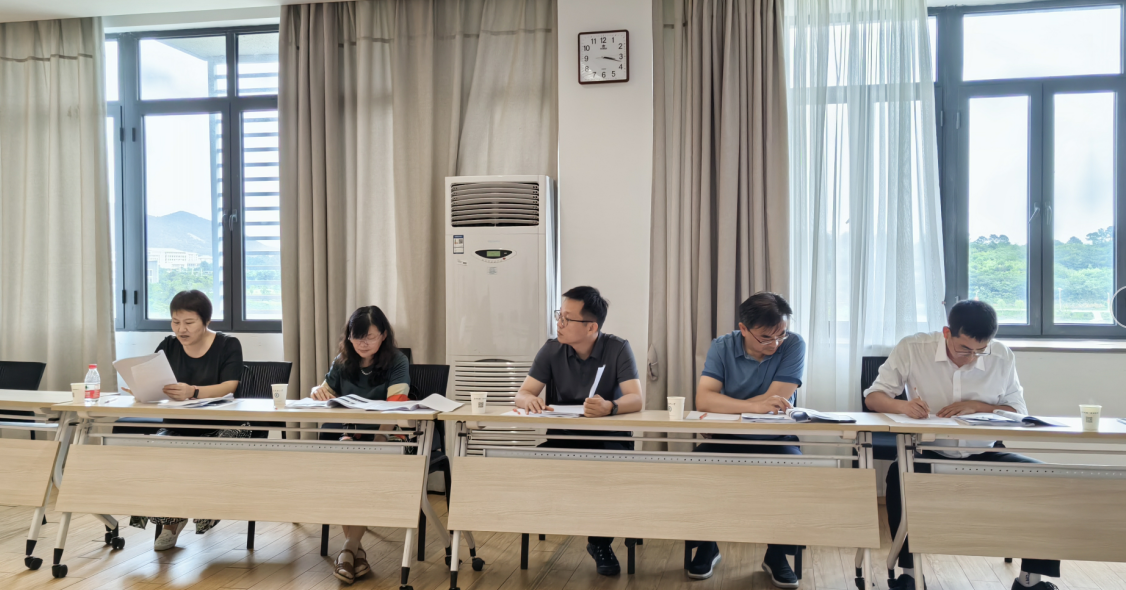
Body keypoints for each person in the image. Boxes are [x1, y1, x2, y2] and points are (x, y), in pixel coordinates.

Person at [864, 300, 1059, 590]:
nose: (971, 358)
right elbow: (873, 397)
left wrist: (977, 406)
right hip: (928, 453)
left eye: (980, 350)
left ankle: (1030, 580)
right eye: (964, 349)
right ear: (947, 333)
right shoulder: (913, 348)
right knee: (898, 478)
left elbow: (1018, 411)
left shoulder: (1001, 355)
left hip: (986, 453)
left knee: (1047, 479)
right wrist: (903, 406)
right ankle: (910, 575)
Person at [514, 286, 643, 576]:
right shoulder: (552, 349)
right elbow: (522, 393)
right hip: (564, 438)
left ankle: (600, 542)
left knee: (609, 472)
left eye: (567, 319)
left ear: (591, 327)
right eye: (559, 315)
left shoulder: (617, 348)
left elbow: (636, 399)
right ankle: (542, 518)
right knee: (526, 465)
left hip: (608, 440)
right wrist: (529, 400)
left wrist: (610, 407)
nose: (559, 323)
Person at [684, 292, 806, 587]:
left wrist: (728, 405)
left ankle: (777, 553)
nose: (775, 344)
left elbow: (775, 401)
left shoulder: (793, 344)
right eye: (766, 338)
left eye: (780, 335)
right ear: (743, 329)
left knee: (796, 471)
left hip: (775, 437)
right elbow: (704, 400)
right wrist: (754, 406)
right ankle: (707, 545)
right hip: (727, 437)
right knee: (695, 468)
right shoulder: (722, 346)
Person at [128, 290, 243, 551]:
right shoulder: (168, 346)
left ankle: (198, 513)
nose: (181, 329)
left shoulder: (228, 344)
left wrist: (194, 391)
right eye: (175, 322)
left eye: (189, 322)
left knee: (204, 455)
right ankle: (171, 523)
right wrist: (142, 388)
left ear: (206, 321)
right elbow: (155, 382)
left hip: (221, 423)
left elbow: (230, 386)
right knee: (157, 451)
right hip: (179, 422)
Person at [310, 305, 410, 585]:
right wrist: (316, 391)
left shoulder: (397, 361)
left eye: (370, 337)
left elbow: (395, 408)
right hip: (351, 435)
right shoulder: (342, 361)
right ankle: (354, 550)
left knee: (357, 468)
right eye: (357, 337)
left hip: (386, 434)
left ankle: (348, 550)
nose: (363, 343)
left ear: (384, 335)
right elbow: (325, 393)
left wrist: (378, 439)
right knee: (345, 469)